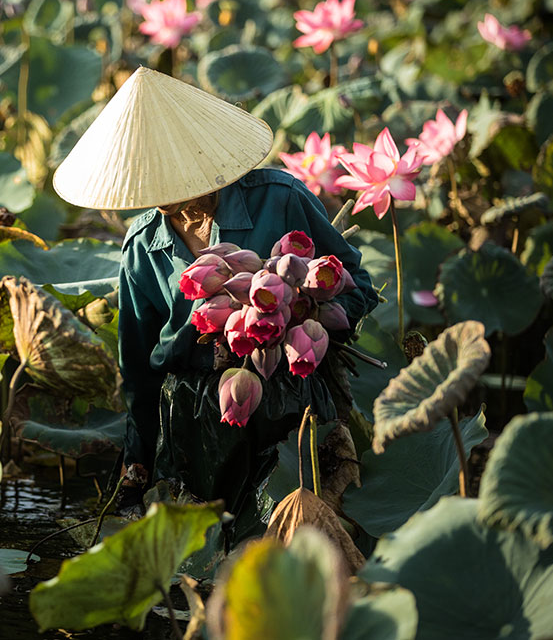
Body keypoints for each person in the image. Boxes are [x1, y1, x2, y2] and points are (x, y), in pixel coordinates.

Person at [53, 67, 377, 542]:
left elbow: (359, 285)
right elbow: (140, 369)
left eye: (169, 178)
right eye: (148, 184)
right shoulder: (142, 243)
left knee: (293, 547)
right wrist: (137, 461)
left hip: (290, 404)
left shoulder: (280, 198)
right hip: (189, 413)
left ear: (200, 156)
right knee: (204, 560)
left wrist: (294, 319)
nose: (162, 197)